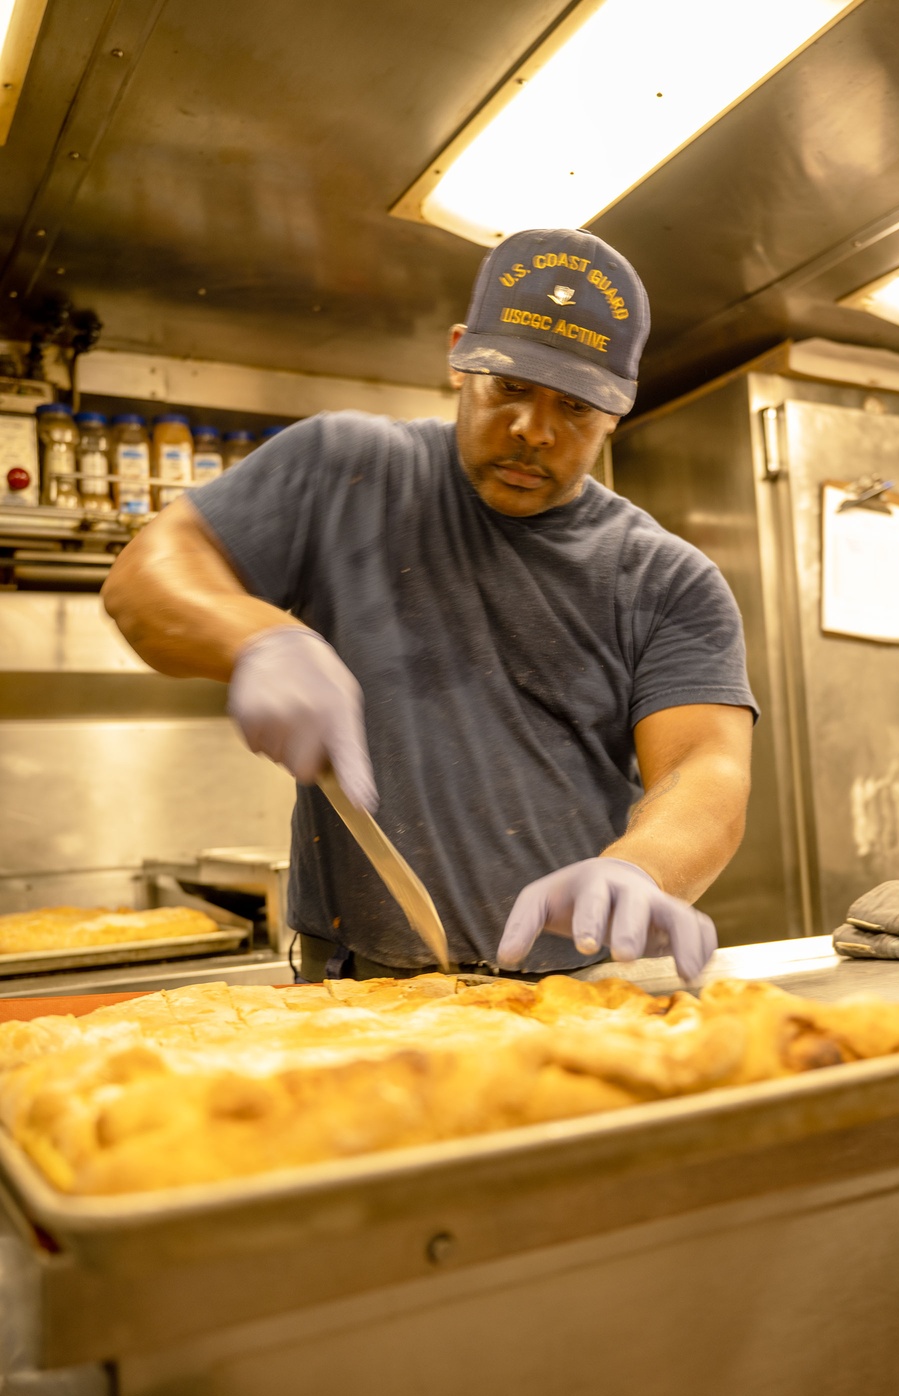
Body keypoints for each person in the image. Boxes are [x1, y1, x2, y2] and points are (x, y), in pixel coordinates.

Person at [102, 227, 757, 984]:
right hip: (353, 985)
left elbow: (705, 767)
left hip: (576, 995)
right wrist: (258, 639)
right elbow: (146, 575)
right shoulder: (344, 472)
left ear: (619, 411)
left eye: (575, 407)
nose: (533, 431)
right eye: (509, 386)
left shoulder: (669, 580)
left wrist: (642, 869)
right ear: (459, 357)